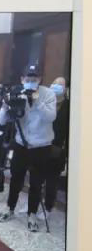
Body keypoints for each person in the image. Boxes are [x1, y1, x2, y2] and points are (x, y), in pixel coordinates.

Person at [0, 66, 57, 231]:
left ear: (40, 79)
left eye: (34, 79)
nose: (31, 82)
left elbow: (51, 117)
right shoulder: (16, 92)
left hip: (41, 146)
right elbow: (2, 121)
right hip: (21, 145)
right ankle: (10, 208)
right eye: (27, 79)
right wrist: (5, 106)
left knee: (36, 182)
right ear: (22, 79)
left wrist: (36, 101)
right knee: (16, 179)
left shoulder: (48, 94)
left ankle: (32, 214)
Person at [44, 76, 69, 213]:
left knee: (51, 181)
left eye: (60, 85)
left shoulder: (69, 106)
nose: (56, 86)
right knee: (36, 177)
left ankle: (48, 207)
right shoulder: (47, 101)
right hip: (40, 145)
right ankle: (34, 204)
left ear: (65, 89)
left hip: (56, 148)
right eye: (54, 83)